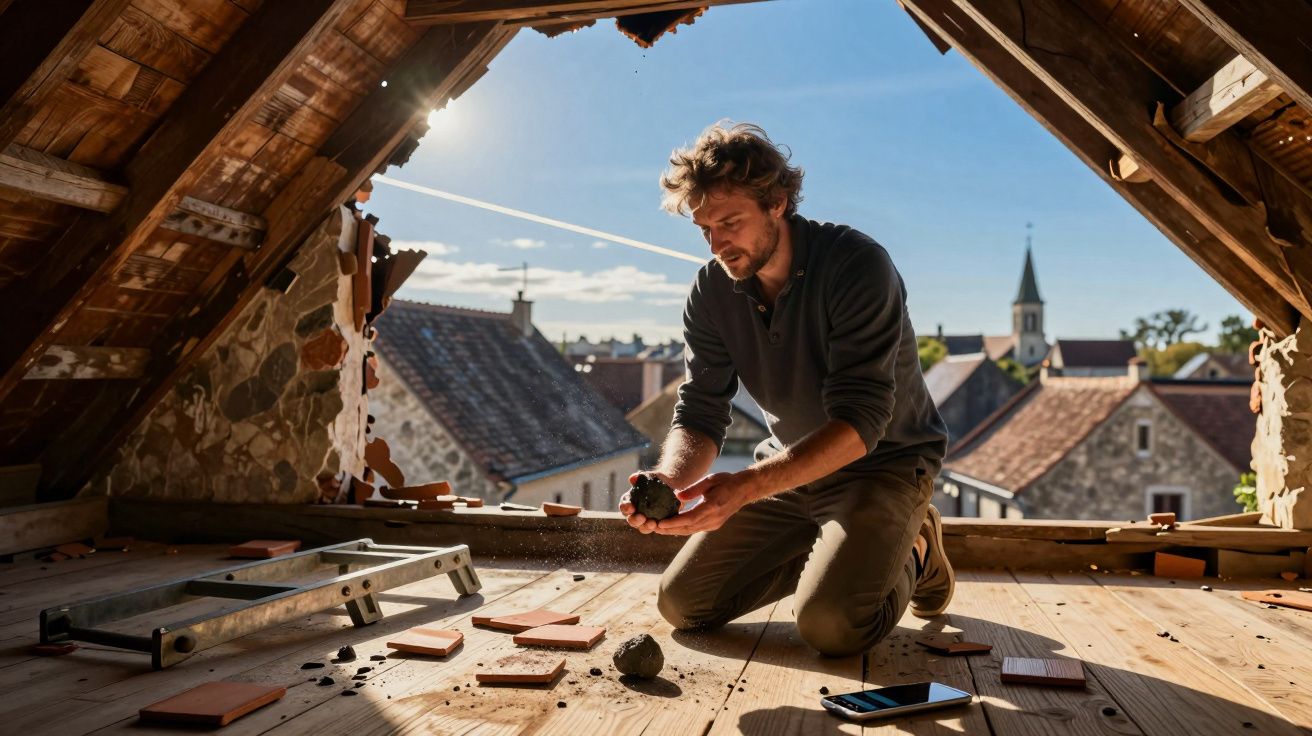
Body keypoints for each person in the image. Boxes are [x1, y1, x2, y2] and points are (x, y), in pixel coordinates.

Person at [619, 122, 952, 657]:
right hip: (787, 470)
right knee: (683, 606)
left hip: (882, 466)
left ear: (777, 201)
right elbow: (700, 413)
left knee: (832, 626)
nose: (718, 243)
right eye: (705, 229)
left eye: (730, 222)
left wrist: (746, 487)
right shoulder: (711, 290)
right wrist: (668, 479)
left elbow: (861, 423)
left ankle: (915, 548)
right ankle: (840, 553)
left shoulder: (857, 266)